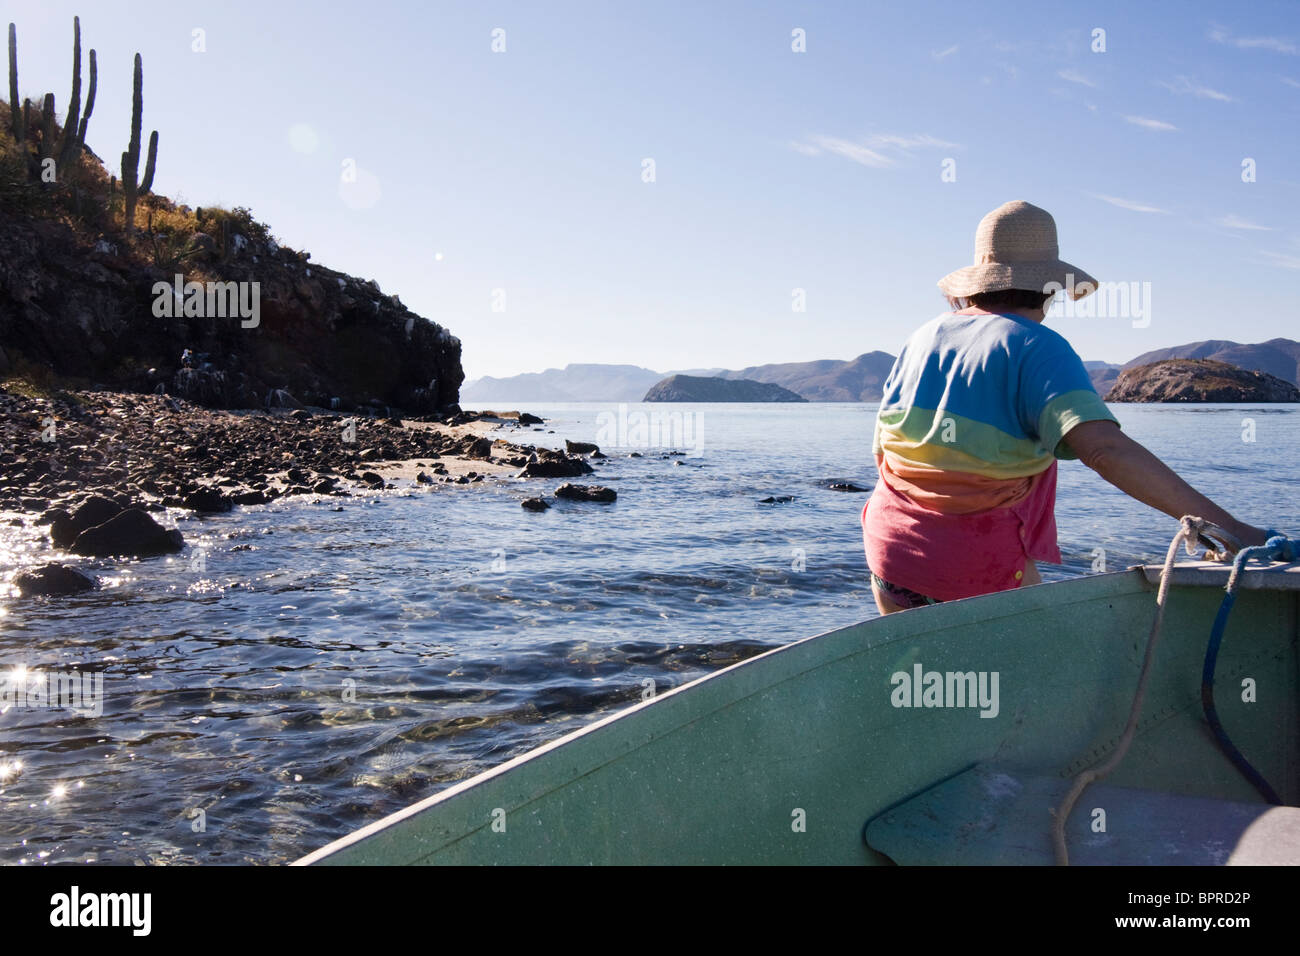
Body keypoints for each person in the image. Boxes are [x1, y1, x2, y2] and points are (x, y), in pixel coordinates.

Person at [862, 200, 1266, 615]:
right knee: (1017, 676)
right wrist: (1231, 530)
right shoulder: (1037, 346)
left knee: (920, 676)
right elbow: (1104, 450)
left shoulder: (923, 337)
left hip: (889, 548)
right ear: (1051, 284)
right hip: (975, 563)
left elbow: (882, 450)